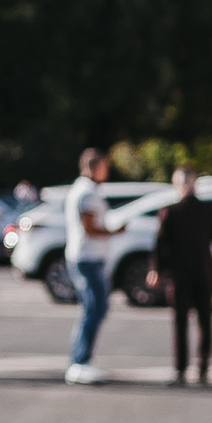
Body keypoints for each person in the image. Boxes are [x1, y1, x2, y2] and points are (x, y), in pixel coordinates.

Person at [152, 167, 212, 387]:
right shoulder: (209, 210)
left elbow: (161, 246)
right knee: (204, 321)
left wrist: (157, 269)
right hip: (203, 273)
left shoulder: (171, 212)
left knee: (182, 322)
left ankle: (181, 369)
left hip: (180, 274)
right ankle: (202, 368)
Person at [62, 148, 117, 384]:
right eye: (105, 165)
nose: (108, 170)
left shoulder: (85, 189)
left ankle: (81, 360)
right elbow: (89, 227)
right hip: (87, 257)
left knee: (94, 308)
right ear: (95, 166)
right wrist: (114, 231)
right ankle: (80, 362)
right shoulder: (86, 191)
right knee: (94, 308)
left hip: (87, 256)